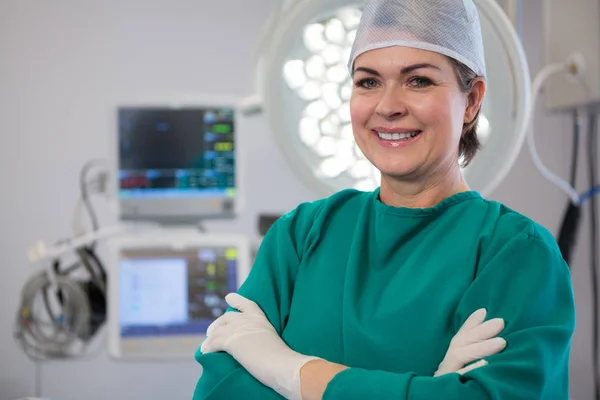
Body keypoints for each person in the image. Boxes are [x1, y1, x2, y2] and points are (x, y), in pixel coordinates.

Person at [193, 0, 576, 399]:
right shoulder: (302, 236)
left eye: (419, 81)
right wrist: (427, 390)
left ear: (473, 100)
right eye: (368, 81)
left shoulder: (515, 255)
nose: (389, 107)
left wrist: (287, 370)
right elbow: (220, 390)